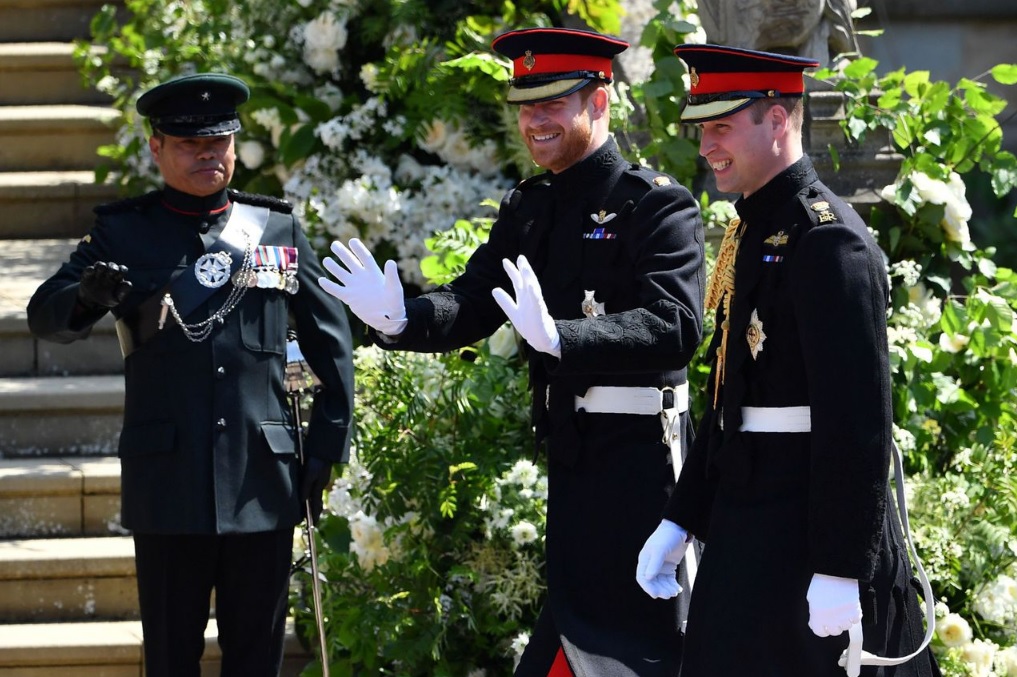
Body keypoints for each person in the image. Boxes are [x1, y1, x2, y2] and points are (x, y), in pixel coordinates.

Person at [318, 27, 705, 677]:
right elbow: (473, 299)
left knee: (642, 653)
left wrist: (562, 338)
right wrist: (400, 318)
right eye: (525, 106)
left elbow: (676, 324)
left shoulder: (655, 204)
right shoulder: (531, 206)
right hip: (573, 464)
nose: (535, 121)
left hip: (643, 472)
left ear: (599, 102)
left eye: (552, 104)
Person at [26, 72, 355, 677]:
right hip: (168, 481)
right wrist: (86, 297)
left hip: (261, 481)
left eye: (218, 142)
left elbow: (330, 343)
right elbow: (44, 316)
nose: (208, 155)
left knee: (255, 659)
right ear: (156, 147)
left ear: (235, 145)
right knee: (171, 658)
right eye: (189, 144)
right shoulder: (124, 231)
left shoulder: (275, 228)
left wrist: (326, 446)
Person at [635, 44, 940, 676]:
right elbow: (729, 397)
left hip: (807, 535)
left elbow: (858, 421)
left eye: (722, 127)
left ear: (776, 120)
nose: (706, 146)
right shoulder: (753, 230)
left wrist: (840, 567)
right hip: (745, 524)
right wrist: (681, 519)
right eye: (702, 129)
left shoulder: (827, 239)